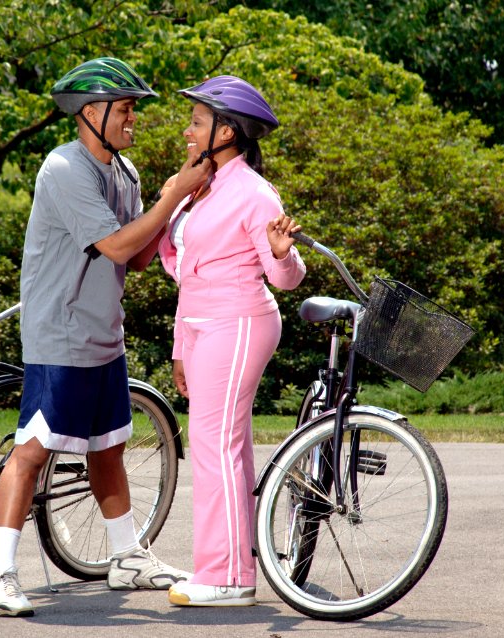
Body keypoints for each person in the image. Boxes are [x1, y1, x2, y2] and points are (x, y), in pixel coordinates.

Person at [0, 57, 212, 618]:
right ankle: (1, 576)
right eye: (126, 108)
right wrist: (171, 196)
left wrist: (180, 205)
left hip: (104, 334)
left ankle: (126, 557)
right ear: (91, 112)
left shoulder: (125, 174)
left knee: (108, 447)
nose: (134, 117)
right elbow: (111, 246)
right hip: (59, 334)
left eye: (134, 108)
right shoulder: (64, 168)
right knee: (32, 452)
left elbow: (132, 258)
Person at [157, 75, 307, 607]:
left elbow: (285, 277)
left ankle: (226, 577)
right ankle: (233, 568)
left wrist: (283, 252)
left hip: (240, 321)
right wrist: (180, 346)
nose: (187, 131)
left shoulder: (253, 192)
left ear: (227, 131)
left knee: (214, 444)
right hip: (201, 325)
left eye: (196, 123)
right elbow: (188, 273)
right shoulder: (202, 186)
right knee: (226, 444)